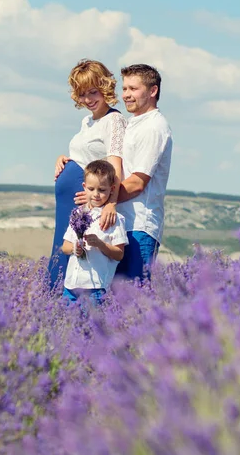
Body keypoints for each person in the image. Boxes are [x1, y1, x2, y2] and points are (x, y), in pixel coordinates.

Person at [48, 59, 126, 289]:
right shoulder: (87, 121)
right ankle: (55, 310)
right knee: (62, 251)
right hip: (68, 203)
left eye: (94, 92)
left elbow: (115, 166)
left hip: (87, 205)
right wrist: (64, 159)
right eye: (82, 94)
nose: (88, 99)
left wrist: (111, 203)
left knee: (80, 260)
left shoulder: (114, 120)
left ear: (105, 88)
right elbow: (86, 157)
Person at [115, 63, 173, 281]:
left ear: (153, 91)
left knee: (133, 301)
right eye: (125, 89)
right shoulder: (133, 124)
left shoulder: (154, 127)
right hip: (120, 224)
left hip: (139, 227)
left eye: (133, 89)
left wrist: (101, 203)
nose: (126, 95)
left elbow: (137, 182)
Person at [62, 160, 128, 305]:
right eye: (91, 189)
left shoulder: (114, 219)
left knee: (90, 325)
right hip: (71, 285)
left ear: (112, 189)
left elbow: (119, 254)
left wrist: (100, 244)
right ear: (84, 187)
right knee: (66, 323)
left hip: (95, 287)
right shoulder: (77, 214)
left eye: (102, 190)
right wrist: (75, 248)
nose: (96, 194)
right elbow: (65, 247)